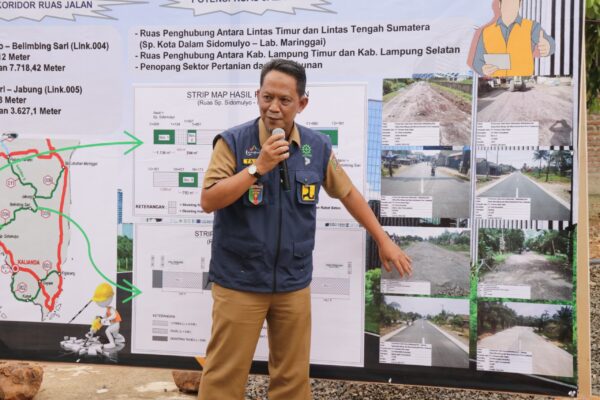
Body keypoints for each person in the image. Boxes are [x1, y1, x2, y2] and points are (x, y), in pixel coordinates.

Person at [198, 59, 412, 400]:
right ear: (257, 95)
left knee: (293, 380)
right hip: (240, 280)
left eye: (284, 100)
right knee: (224, 376)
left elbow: (348, 194)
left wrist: (382, 238)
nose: (274, 107)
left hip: (292, 283)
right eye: (267, 97)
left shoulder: (316, 147)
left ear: (302, 103)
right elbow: (209, 199)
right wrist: (257, 167)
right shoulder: (233, 142)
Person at [472, 0, 555, 77]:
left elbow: (549, 42)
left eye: (513, 3)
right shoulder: (486, 32)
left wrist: (548, 46)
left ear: (519, 5)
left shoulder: (532, 27)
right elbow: (477, 61)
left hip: (523, 81)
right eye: (507, 3)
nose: (510, 7)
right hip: (496, 81)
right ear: (500, 5)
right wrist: (482, 69)